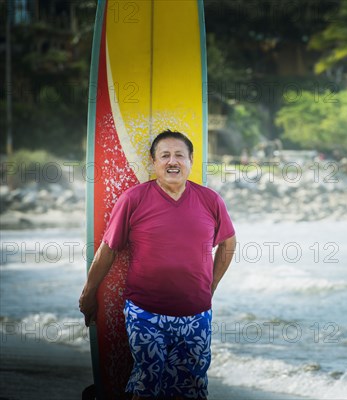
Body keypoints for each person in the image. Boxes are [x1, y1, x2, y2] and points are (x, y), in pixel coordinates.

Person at [79, 130, 236, 400]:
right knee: (147, 381)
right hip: (145, 312)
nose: (172, 161)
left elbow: (229, 243)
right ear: (154, 162)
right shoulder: (134, 199)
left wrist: (210, 287)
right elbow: (108, 249)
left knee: (193, 386)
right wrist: (89, 292)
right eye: (165, 155)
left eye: (179, 155)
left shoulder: (210, 200)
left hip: (196, 313)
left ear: (191, 160)